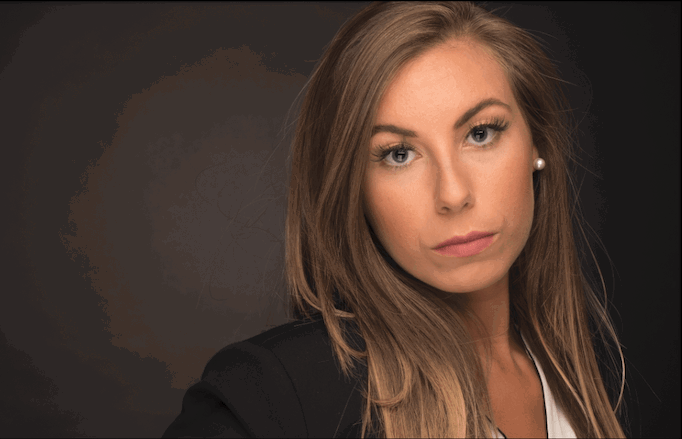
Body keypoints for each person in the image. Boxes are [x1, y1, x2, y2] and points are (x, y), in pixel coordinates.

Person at [163, 2, 627, 437]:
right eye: (399, 154)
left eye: (480, 134)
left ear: (537, 145)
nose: (453, 193)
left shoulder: (584, 365)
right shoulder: (273, 393)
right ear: (351, 188)